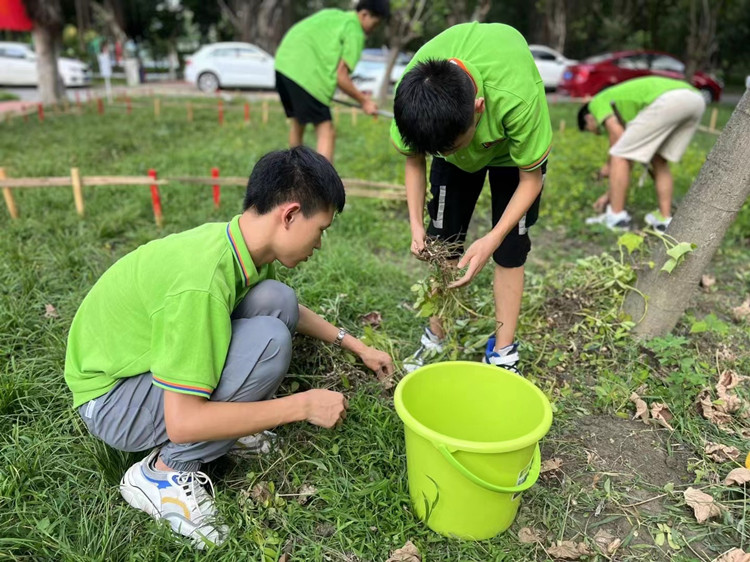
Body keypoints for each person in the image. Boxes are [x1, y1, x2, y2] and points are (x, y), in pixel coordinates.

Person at [64, 147, 394, 549]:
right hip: (112, 402)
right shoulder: (200, 284)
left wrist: (356, 345)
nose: (320, 243)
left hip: (133, 371)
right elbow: (183, 422)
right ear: (289, 215)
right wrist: (303, 406)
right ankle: (164, 472)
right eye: (321, 228)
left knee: (279, 300)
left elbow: (288, 309)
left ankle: (229, 425)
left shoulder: (237, 243)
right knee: (268, 343)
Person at [389, 23, 552, 374]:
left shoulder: (518, 97)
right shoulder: (415, 95)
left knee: (511, 248)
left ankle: (503, 352)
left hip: (512, 157)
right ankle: (436, 337)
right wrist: (416, 225)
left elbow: (531, 179)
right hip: (454, 148)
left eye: (452, 145)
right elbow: (414, 159)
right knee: (442, 241)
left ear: (479, 108)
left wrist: (492, 239)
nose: (443, 152)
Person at [577, 76, 706, 231]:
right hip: (695, 99)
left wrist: (608, 165)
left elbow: (617, 137)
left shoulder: (595, 103)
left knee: (619, 155)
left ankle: (616, 218)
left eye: (591, 130)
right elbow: (628, 161)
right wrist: (609, 194)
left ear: (588, 119)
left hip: (668, 100)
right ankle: (664, 220)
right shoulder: (620, 107)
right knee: (658, 160)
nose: (597, 133)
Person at [273, 0, 390, 162]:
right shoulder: (354, 30)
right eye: (375, 23)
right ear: (364, 15)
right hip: (308, 76)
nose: (374, 29)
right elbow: (341, 77)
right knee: (326, 130)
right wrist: (364, 101)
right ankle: (323, 184)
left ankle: (292, 174)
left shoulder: (333, 15)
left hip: (283, 66)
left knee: (298, 123)